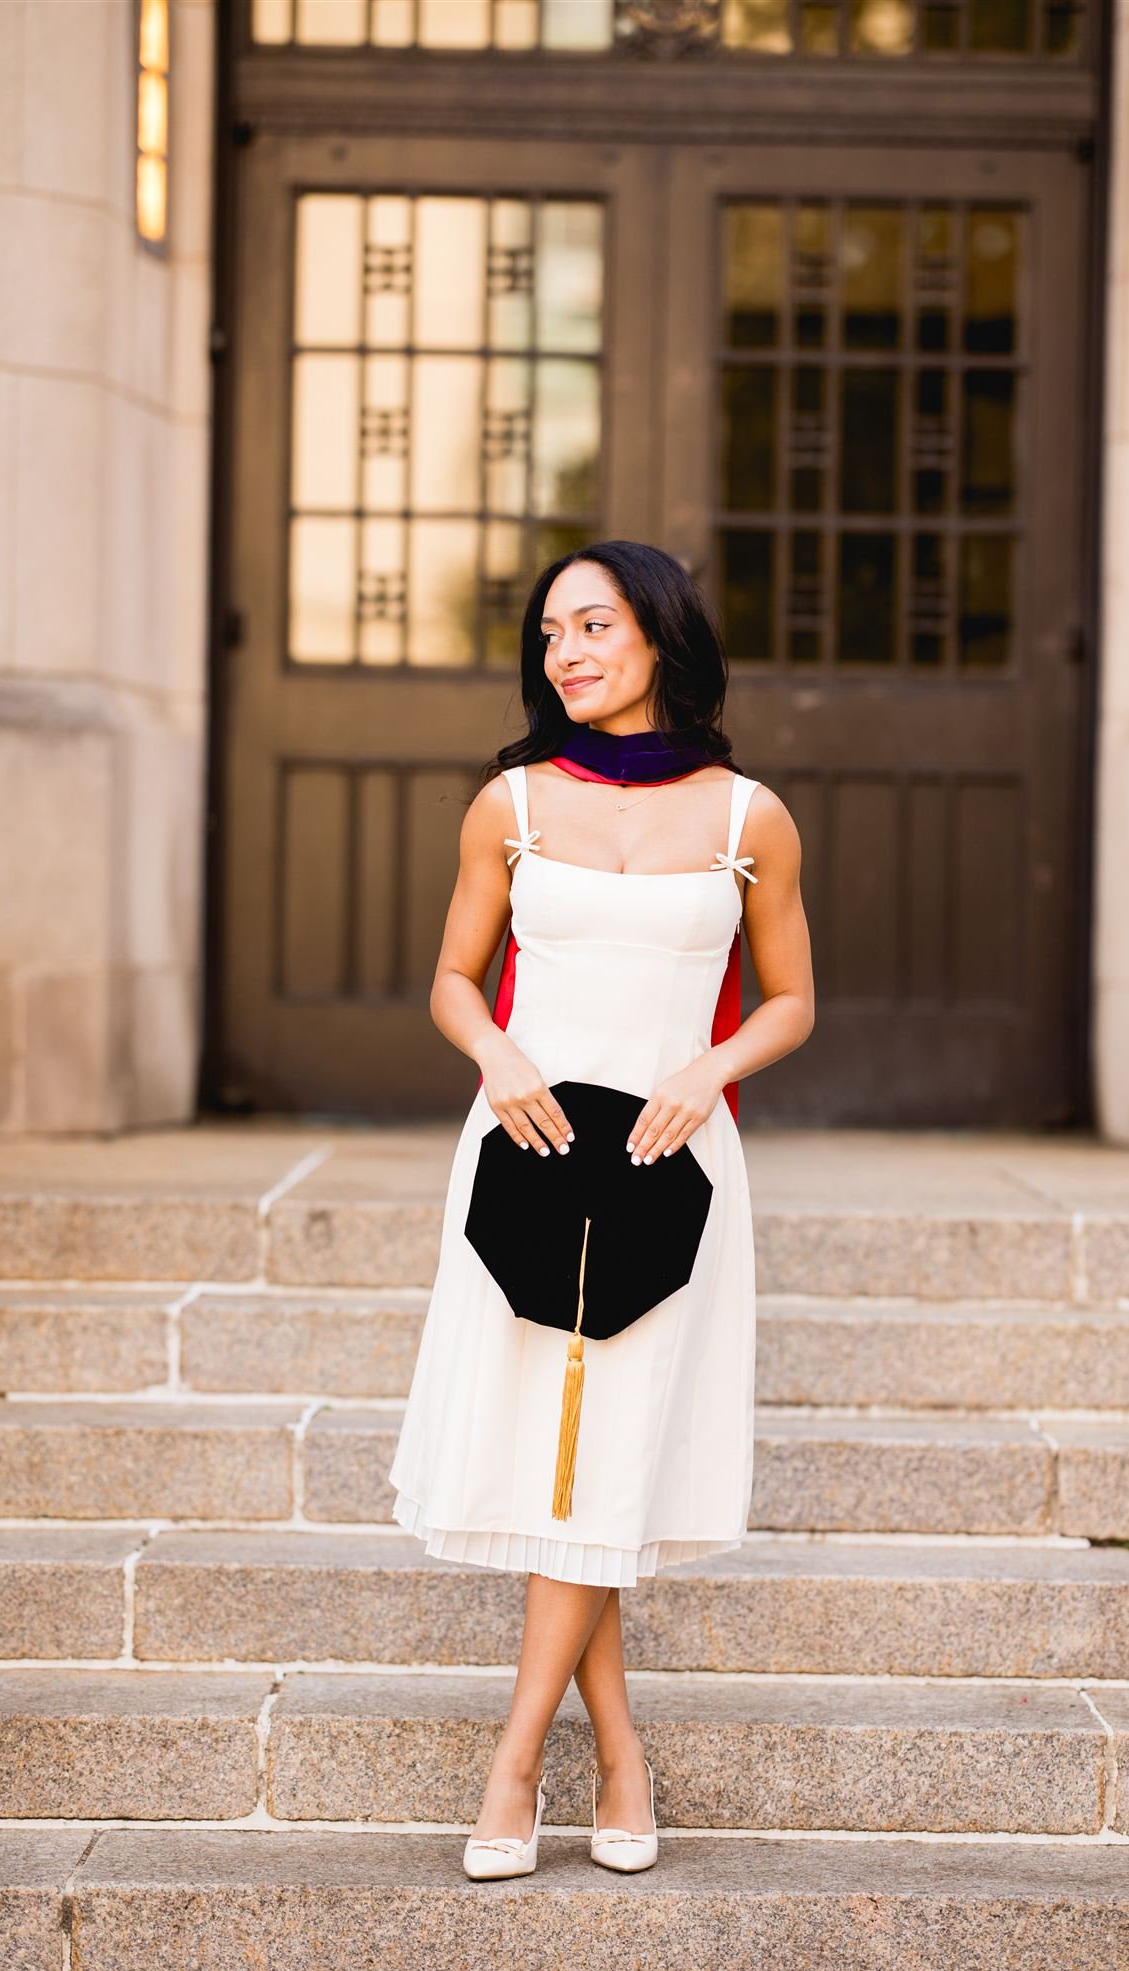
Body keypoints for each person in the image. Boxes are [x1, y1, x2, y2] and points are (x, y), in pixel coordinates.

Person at [388, 539, 814, 1879]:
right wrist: (496, 1052)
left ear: (659, 635)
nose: (566, 652)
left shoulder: (750, 818)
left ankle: (517, 1767)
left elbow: (794, 997)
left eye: (593, 625)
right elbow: (456, 977)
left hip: (668, 1168)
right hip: (526, 1147)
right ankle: (611, 1760)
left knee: (605, 1452)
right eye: (550, 633)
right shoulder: (509, 804)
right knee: (558, 1461)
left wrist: (711, 1063)